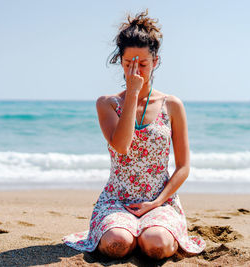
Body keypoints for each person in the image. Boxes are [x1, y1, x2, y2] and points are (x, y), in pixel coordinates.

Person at [62, 9, 205, 260]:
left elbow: (183, 167)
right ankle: (128, 233)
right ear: (121, 62)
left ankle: (151, 232)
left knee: (157, 245)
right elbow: (122, 146)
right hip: (116, 199)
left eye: (143, 63)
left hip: (159, 200)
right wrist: (132, 94)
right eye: (129, 64)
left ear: (155, 62)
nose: (135, 70)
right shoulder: (107, 103)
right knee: (118, 244)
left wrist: (157, 202)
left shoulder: (172, 105)